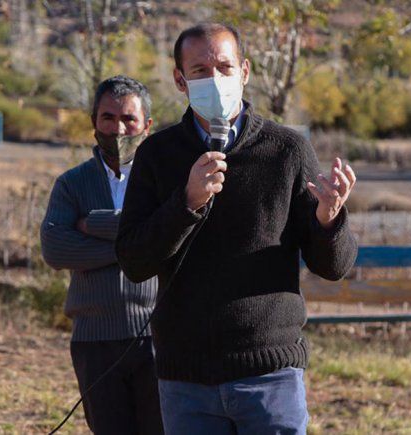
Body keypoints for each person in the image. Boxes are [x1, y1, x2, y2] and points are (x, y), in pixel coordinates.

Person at [115, 23, 358, 434]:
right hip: (185, 379)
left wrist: (328, 220)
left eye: (225, 67)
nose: (215, 80)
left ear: (244, 71)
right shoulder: (157, 154)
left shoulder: (287, 150)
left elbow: (335, 267)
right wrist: (186, 203)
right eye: (199, 71)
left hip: (269, 375)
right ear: (179, 80)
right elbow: (134, 261)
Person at [40, 75, 163, 434]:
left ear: (147, 126)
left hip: (158, 335)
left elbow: (176, 234)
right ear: (94, 121)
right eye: (108, 118)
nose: (118, 129)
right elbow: (55, 247)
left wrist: (90, 224)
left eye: (129, 120)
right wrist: (138, 243)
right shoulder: (72, 184)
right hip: (94, 340)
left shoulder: (165, 180)